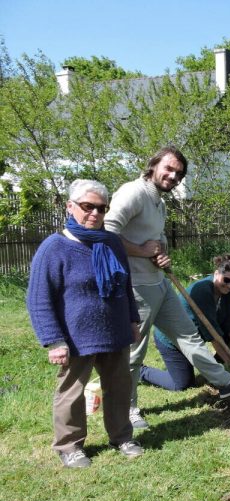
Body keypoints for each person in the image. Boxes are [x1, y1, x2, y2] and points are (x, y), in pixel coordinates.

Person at [104, 146, 230, 429]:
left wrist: (159, 252)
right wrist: (140, 250)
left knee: (189, 335)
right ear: (153, 166)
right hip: (136, 286)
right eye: (169, 169)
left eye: (179, 174)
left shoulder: (158, 202)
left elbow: (154, 239)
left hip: (159, 282)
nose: (173, 176)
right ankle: (129, 410)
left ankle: (226, 383)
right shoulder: (133, 192)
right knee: (134, 351)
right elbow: (106, 231)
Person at [27, 179, 144, 468]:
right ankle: (69, 446)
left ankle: (122, 436)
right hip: (77, 335)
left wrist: (132, 319)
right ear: (70, 206)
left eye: (101, 209)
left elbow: (125, 285)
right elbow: (39, 299)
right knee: (72, 393)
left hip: (115, 330)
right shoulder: (54, 248)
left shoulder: (112, 243)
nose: (95, 213)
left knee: (119, 386)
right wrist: (54, 341)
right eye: (87, 206)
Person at [141, 254, 230, 391]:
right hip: (172, 339)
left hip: (193, 339)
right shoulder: (202, 290)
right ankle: (142, 371)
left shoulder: (229, 293)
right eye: (227, 280)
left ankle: (216, 371)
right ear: (216, 273)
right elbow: (212, 334)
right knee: (182, 384)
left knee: (228, 337)